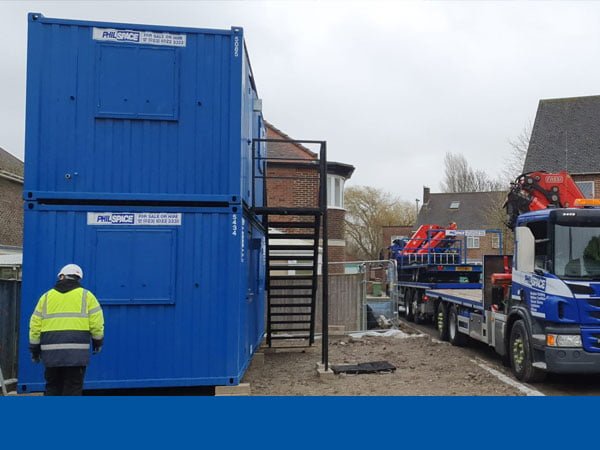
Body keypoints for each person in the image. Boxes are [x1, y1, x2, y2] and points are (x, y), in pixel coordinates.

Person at [29, 264, 104, 396]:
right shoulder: (87, 296)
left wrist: (35, 350)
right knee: (73, 388)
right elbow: (97, 325)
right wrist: (97, 343)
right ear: (78, 278)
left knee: (52, 387)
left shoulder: (45, 297)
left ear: (61, 277)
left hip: (51, 354)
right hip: (77, 354)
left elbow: (35, 326)